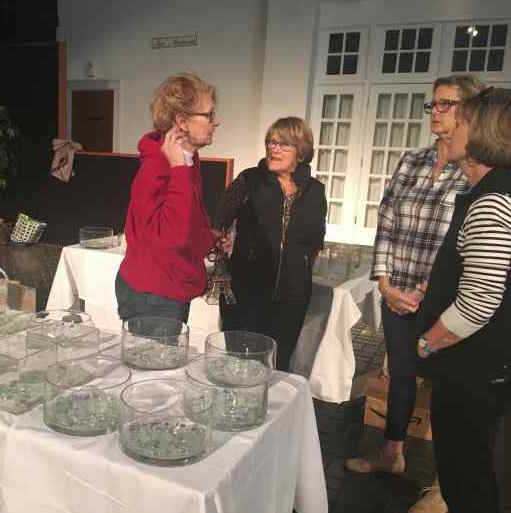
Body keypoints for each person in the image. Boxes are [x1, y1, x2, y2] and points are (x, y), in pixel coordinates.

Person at [345, 75, 485, 498]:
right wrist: (385, 282)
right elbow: (386, 219)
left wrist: (426, 291)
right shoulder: (412, 160)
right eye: (433, 104)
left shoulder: (475, 168)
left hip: (441, 300)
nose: (435, 111)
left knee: (448, 387)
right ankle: (392, 453)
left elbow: (461, 243)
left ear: (469, 111)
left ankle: (446, 484)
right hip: (397, 293)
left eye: (446, 104)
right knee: (401, 376)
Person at [415, 87, 511, 513]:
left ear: (484, 134)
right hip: (482, 372)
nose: (448, 127)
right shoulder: (491, 191)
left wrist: (425, 343)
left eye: (462, 120)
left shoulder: (492, 200)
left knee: (469, 486)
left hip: (475, 376)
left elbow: (479, 302)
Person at [213, 117, 327, 371]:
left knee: (278, 366)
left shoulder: (315, 191)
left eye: (283, 144)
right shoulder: (249, 180)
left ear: (301, 152)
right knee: (240, 366)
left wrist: (299, 270)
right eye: (271, 143)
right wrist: (224, 239)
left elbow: (315, 242)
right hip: (246, 293)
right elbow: (218, 221)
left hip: (292, 298)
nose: (274, 149)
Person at [116, 73, 220, 323]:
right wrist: (178, 170)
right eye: (209, 115)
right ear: (182, 121)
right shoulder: (158, 167)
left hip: (169, 289)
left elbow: (185, 220)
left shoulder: (186, 160)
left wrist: (210, 237)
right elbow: (172, 237)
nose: (216, 122)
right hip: (154, 296)